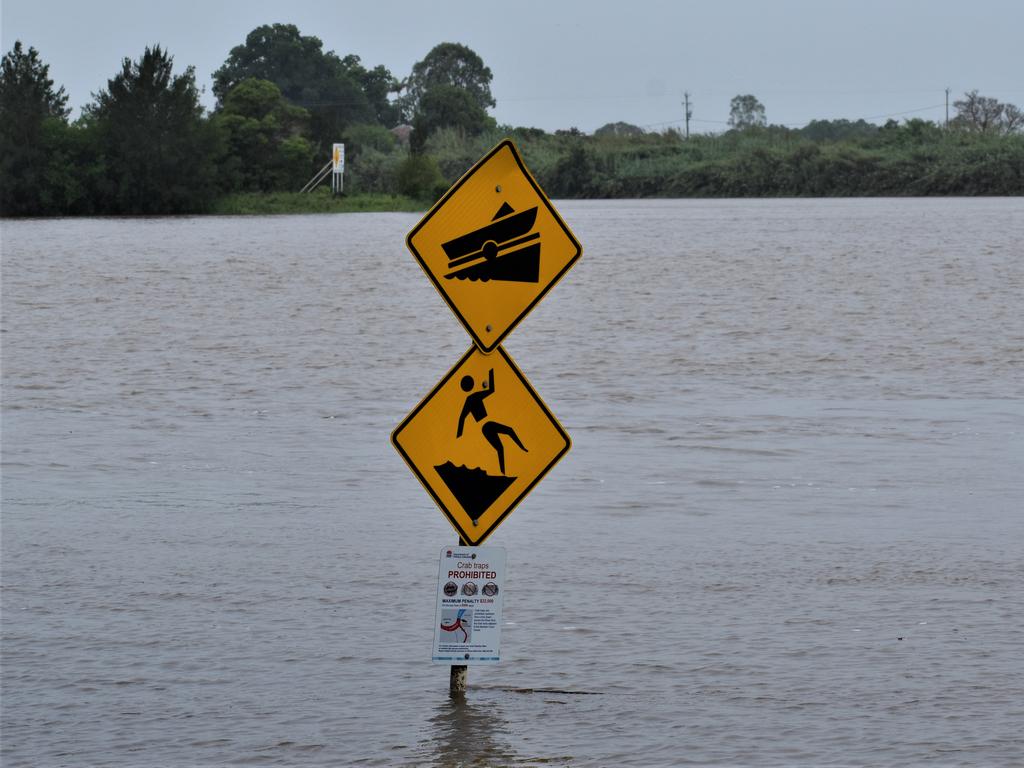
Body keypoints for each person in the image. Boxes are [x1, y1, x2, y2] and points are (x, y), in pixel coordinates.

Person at [456, 369, 526, 475]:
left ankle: (520, 451)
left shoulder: (470, 399)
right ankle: (504, 471)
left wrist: (459, 435)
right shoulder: (474, 397)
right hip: (486, 426)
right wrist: (490, 373)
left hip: (488, 425)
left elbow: (462, 418)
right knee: (501, 446)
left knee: (504, 441)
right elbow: (491, 389)